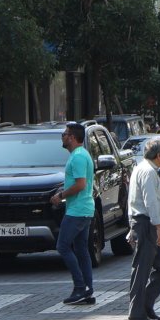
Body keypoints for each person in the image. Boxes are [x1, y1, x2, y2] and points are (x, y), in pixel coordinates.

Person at [125, 137, 160, 320]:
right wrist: (158, 226)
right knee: (142, 269)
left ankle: (146, 305)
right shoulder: (147, 171)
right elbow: (149, 202)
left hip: (150, 224)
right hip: (147, 225)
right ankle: (136, 313)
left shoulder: (147, 169)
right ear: (159, 154)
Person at [49, 122, 95, 305]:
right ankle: (88, 290)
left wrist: (60, 195)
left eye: (65, 133)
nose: (63, 136)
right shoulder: (82, 155)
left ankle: (79, 287)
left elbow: (80, 184)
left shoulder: (77, 157)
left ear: (73, 137)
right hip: (84, 209)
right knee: (82, 250)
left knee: (63, 246)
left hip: (77, 210)